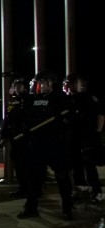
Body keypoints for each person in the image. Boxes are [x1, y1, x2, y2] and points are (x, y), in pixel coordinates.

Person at [17, 71, 74, 220]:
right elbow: (24, 116)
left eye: (43, 82)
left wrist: (61, 121)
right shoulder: (32, 98)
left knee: (62, 176)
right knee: (33, 177)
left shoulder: (60, 98)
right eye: (39, 83)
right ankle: (31, 206)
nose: (40, 86)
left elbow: (70, 118)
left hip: (56, 143)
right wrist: (25, 127)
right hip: (36, 143)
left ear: (51, 82)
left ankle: (67, 208)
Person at [65, 73, 104, 202]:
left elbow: (100, 116)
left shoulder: (89, 98)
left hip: (87, 137)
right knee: (76, 165)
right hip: (73, 137)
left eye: (73, 83)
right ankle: (81, 190)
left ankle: (96, 191)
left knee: (89, 164)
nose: (71, 86)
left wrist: (97, 133)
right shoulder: (69, 99)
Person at [0, 76, 30, 198]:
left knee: (29, 165)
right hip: (15, 138)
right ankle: (22, 188)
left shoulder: (30, 100)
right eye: (15, 86)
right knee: (18, 164)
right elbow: (7, 120)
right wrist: (3, 135)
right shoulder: (12, 102)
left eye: (19, 86)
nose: (17, 89)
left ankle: (33, 189)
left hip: (27, 139)